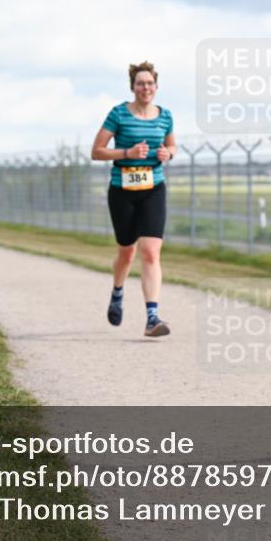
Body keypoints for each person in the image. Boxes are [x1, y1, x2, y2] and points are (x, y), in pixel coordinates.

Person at [91, 61, 176, 338]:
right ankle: (117, 292)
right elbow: (97, 151)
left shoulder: (165, 116)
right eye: (140, 83)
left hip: (154, 187)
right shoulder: (118, 114)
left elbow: (172, 144)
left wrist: (168, 154)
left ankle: (152, 317)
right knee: (126, 252)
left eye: (150, 83)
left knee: (150, 252)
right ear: (133, 87)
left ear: (156, 87)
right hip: (122, 190)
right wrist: (126, 153)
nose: (145, 88)